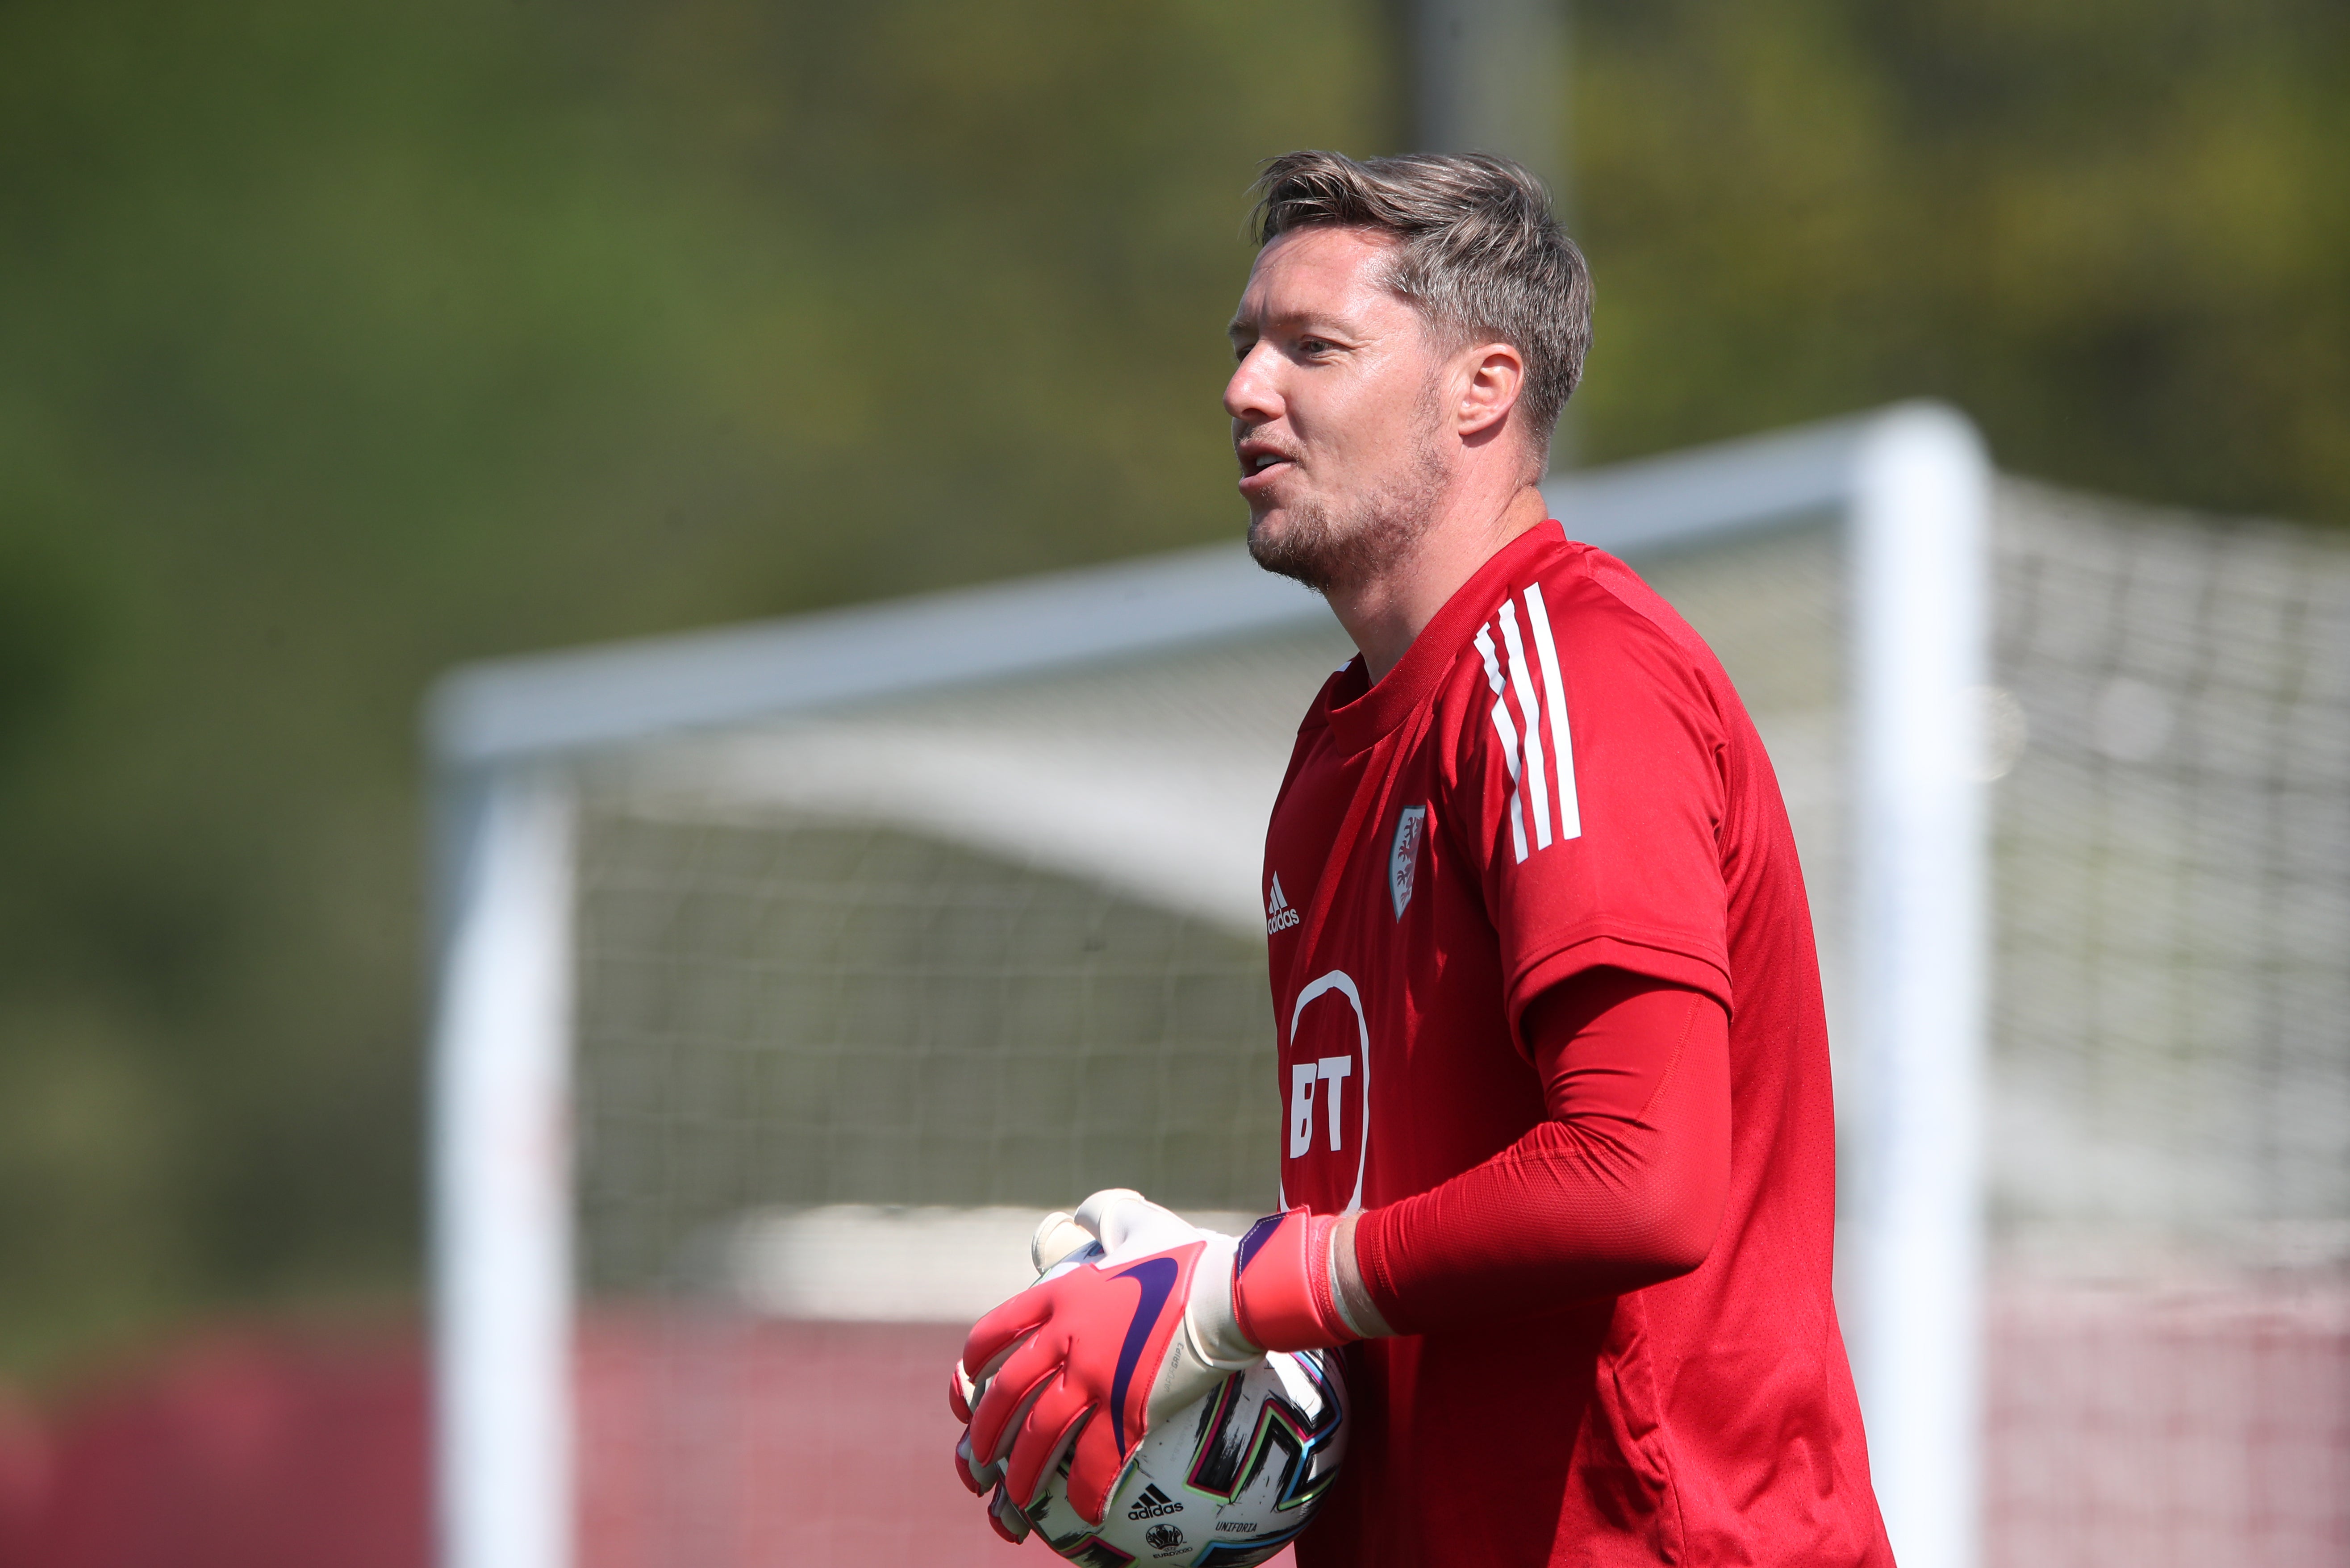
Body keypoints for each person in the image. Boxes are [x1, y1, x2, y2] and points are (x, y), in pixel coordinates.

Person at [952, 149, 1893, 1566]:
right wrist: (1221, 1426)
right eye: (1245, 346)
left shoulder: (1569, 674)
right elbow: (1406, 1243)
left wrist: (1227, 1295)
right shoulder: (1336, 756)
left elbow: (1639, 1173)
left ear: (1482, 390)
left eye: (1312, 348)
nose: (1245, 389)